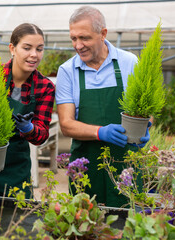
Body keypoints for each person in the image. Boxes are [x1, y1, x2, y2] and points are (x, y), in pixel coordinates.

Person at [55, 6, 150, 207]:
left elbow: (144, 111)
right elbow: (66, 124)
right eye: (73, 39)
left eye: (84, 38)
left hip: (126, 165)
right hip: (85, 168)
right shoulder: (67, 71)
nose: (78, 45)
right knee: (87, 226)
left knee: (129, 224)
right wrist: (100, 132)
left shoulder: (129, 62)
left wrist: (146, 127)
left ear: (103, 34)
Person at [0, 23, 55, 199]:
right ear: (12, 49)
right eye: (27, 48)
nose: (34, 55)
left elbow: (42, 135)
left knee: (17, 216)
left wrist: (29, 128)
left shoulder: (44, 87)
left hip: (15, 165)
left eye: (39, 49)